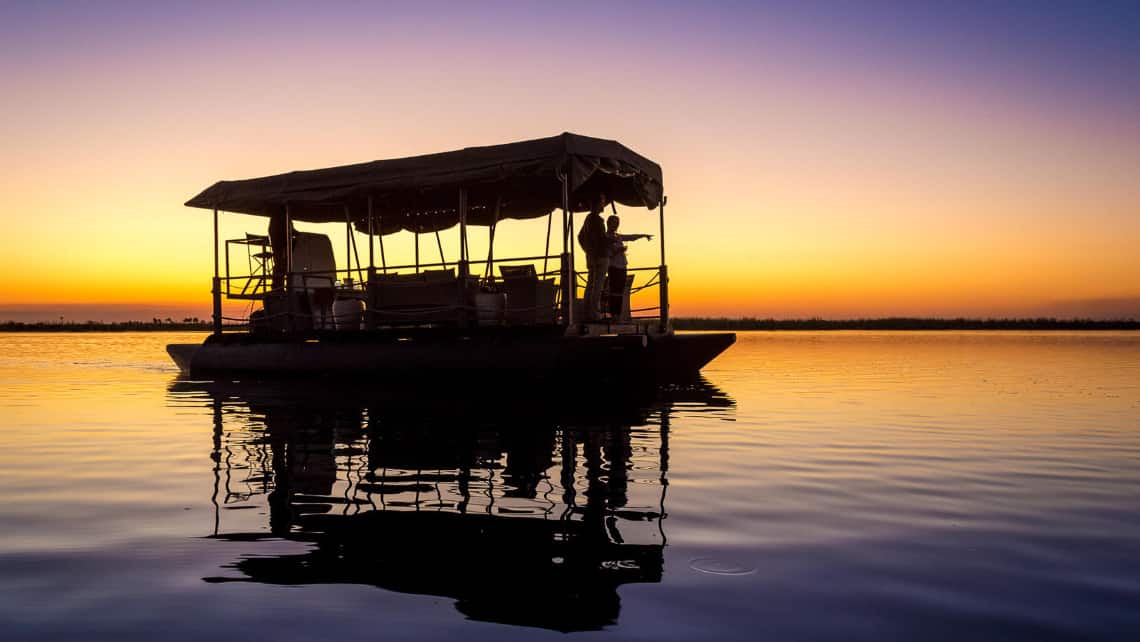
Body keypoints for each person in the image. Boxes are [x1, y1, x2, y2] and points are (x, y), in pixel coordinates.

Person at [604, 215, 652, 319]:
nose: (616, 225)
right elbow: (607, 254)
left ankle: (618, 313)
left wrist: (643, 235)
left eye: (617, 223)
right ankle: (613, 313)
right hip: (613, 267)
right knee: (614, 290)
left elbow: (631, 237)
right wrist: (618, 250)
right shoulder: (606, 237)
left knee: (620, 290)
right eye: (614, 223)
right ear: (608, 224)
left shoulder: (618, 236)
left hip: (622, 266)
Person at [577, 195, 609, 321]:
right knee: (597, 286)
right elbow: (600, 240)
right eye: (602, 202)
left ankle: (587, 312)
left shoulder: (588, 219)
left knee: (591, 285)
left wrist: (588, 251)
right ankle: (594, 314)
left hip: (592, 257)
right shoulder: (596, 220)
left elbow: (580, 237)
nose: (604, 204)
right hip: (599, 257)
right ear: (597, 204)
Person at [267, 205, 295, 291]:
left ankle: (279, 286)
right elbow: (288, 230)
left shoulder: (278, 218)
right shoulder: (281, 217)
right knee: (281, 265)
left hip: (281, 245)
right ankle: (278, 286)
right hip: (281, 245)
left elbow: (290, 230)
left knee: (281, 265)